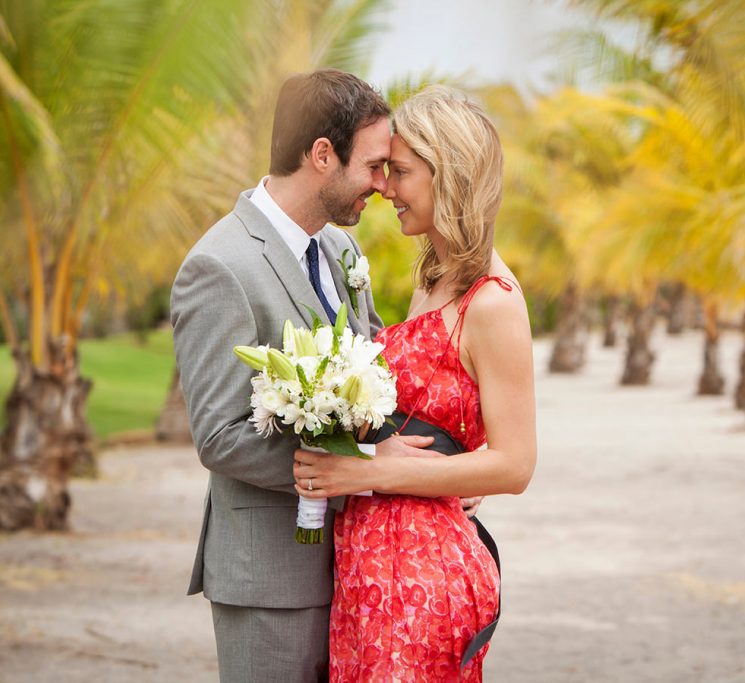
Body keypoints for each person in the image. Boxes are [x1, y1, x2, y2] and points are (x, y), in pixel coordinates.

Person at [170, 69, 434, 683]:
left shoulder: (342, 253)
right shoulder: (220, 265)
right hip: (270, 580)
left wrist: (440, 466)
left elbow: (375, 379)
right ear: (322, 155)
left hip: (356, 566)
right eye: (372, 165)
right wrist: (364, 465)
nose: (381, 184)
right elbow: (220, 435)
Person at [292, 85, 537, 682]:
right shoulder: (432, 273)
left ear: (447, 174)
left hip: (420, 581)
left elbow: (514, 465)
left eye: (399, 172)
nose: (384, 187)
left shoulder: (493, 301)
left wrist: (368, 471)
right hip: (369, 563)